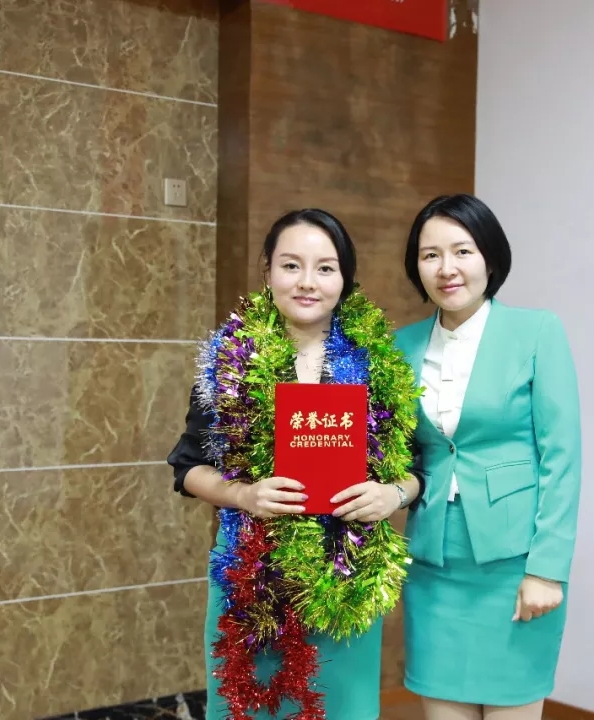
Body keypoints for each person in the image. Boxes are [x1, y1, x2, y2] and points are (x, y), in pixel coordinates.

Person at [167, 208, 423, 720]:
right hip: (250, 581)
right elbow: (187, 467)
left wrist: (391, 495)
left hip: (345, 577)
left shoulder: (377, 362)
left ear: (345, 279)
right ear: (267, 271)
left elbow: (417, 468)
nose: (308, 282)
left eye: (325, 268)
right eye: (291, 265)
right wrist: (243, 495)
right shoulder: (230, 360)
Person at [394, 193, 582, 720]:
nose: (446, 268)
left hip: (515, 566)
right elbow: (399, 455)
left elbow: (562, 458)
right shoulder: (400, 346)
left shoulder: (537, 332)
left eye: (462, 251)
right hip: (433, 565)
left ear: (490, 258)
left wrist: (547, 570)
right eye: (430, 255)